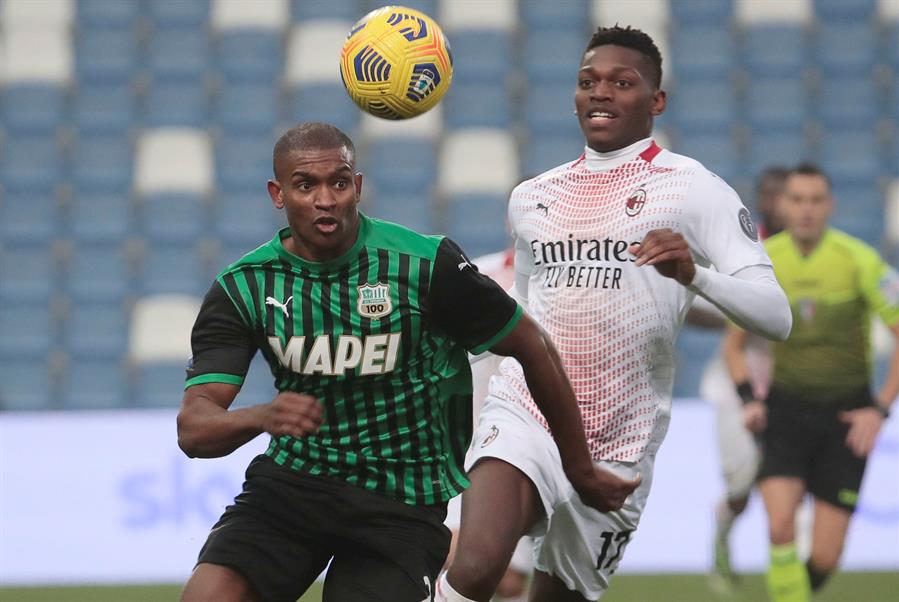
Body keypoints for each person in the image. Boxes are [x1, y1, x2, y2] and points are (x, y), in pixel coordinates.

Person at [175, 122, 639, 602]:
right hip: (294, 486)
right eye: (305, 185)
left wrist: (579, 468)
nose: (325, 199)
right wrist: (262, 416)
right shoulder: (245, 286)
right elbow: (194, 429)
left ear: (357, 187)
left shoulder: (426, 265)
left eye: (338, 182)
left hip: (400, 500)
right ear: (278, 194)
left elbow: (532, 345)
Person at [437, 26, 792, 602]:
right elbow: (524, 315)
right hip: (529, 411)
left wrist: (694, 276)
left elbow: (777, 316)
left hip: (623, 435)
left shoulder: (692, 189)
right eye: (587, 82)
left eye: (621, 83)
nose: (600, 93)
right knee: (475, 567)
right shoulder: (532, 197)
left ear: (656, 101)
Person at [731, 163, 899, 602]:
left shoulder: (858, 260)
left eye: (815, 200)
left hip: (846, 418)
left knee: (824, 558)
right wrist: (749, 398)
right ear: (783, 205)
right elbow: (734, 347)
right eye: (798, 200)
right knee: (780, 526)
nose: (806, 210)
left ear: (830, 206)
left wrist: (880, 408)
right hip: (786, 412)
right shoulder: (764, 261)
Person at [697, 166, 789, 589]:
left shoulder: (814, 255)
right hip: (736, 388)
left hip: (790, 388)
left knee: (788, 482)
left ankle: (787, 568)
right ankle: (722, 532)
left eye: (784, 194)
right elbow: (716, 310)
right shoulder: (746, 252)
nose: (778, 202)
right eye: (771, 194)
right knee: (741, 485)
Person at [444, 246, 534, 602]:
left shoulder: (565, 278)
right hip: (465, 440)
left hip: (529, 440)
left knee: (510, 580)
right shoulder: (478, 273)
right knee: (458, 556)